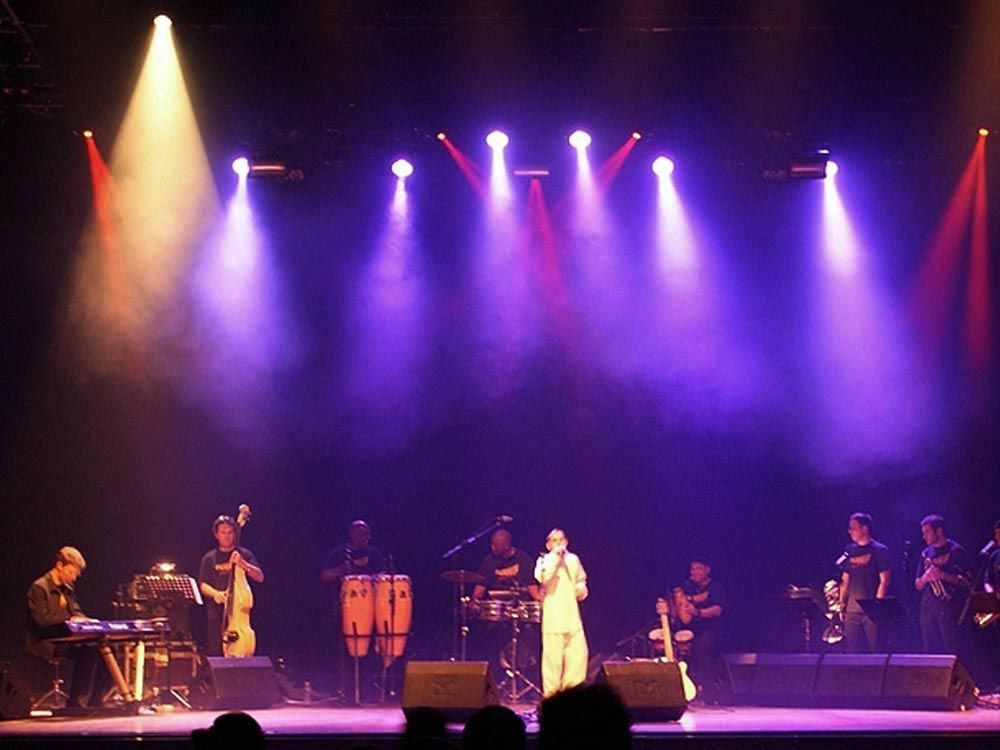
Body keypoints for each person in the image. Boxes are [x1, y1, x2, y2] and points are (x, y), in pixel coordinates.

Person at [25, 546, 109, 709]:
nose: (73, 577)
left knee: (104, 648)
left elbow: (75, 611)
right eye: (71, 572)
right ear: (59, 566)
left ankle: (96, 698)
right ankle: (74, 700)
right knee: (88, 651)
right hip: (47, 641)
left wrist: (86, 620)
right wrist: (70, 620)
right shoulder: (39, 587)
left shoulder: (68, 588)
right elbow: (41, 619)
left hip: (66, 637)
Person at [470, 528, 540, 690]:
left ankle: (523, 679)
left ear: (506, 545)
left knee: (527, 641)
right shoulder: (489, 561)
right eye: (492, 545)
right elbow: (481, 585)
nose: (492, 548)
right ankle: (497, 679)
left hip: (520, 608)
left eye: (496, 545)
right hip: (498, 609)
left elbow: (531, 586)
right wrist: (474, 601)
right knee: (492, 638)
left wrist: (541, 600)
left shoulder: (523, 559)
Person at [197, 515, 265, 656]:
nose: (227, 536)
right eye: (223, 532)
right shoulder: (209, 558)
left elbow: (260, 577)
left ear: (235, 534)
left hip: (239, 614)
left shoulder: (244, 554)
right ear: (216, 535)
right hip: (217, 614)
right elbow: (203, 584)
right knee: (216, 653)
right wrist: (216, 594)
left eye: (230, 532)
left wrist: (243, 564)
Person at [661, 557, 726, 697]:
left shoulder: (715, 588)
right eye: (692, 569)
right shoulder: (688, 587)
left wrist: (697, 612)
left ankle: (707, 691)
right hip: (688, 629)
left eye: (698, 568)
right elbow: (679, 610)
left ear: (707, 570)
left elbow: (717, 610)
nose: (694, 572)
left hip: (708, 630)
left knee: (703, 646)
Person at [534, 528, 588, 697]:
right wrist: (556, 560)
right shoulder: (544, 560)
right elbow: (544, 579)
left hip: (572, 617)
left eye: (561, 540)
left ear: (566, 541)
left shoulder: (573, 559)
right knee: (552, 662)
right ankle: (551, 697)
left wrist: (581, 589)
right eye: (554, 540)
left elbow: (581, 580)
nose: (559, 543)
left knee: (578, 657)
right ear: (548, 545)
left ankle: (573, 695)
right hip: (554, 618)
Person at [914, 514, 971, 654]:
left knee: (953, 648)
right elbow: (917, 585)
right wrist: (925, 578)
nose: (924, 536)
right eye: (923, 533)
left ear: (939, 531)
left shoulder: (956, 551)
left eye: (927, 532)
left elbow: (968, 581)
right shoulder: (925, 554)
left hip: (949, 607)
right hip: (928, 607)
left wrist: (943, 575)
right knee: (929, 648)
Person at [838, 512, 891, 652]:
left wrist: (877, 606)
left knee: (875, 650)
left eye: (853, 528)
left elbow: (884, 580)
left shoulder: (880, 550)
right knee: (854, 651)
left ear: (865, 529)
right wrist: (842, 604)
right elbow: (845, 579)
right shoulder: (849, 550)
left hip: (870, 610)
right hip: (852, 611)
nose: (849, 531)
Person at [320, 520, 385, 584]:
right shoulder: (339, 552)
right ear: (352, 534)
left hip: (368, 589)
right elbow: (325, 577)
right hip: (344, 589)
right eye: (363, 534)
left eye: (368, 534)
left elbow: (383, 573)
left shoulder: (373, 552)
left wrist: (372, 578)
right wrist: (341, 569)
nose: (368, 537)